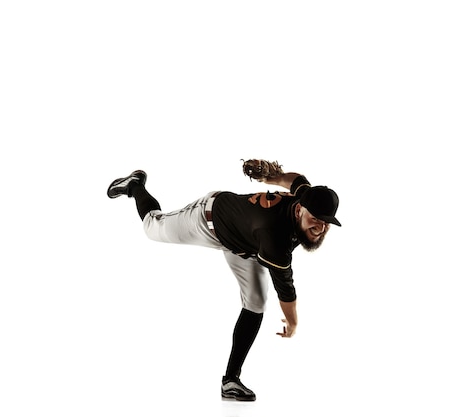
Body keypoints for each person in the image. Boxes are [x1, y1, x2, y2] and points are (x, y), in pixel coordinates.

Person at [106, 165, 341, 401]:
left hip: (246, 244)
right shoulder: (274, 237)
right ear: (299, 209)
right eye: (315, 219)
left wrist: (275, 177)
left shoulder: (306, 197)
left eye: (327, 222)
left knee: (256, 303)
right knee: (151, 227)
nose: (320, 228)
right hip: (208, 220)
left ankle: (230, 381)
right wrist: (292, 323)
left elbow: (296, 180)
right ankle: (135, 184)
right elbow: (286, 288)